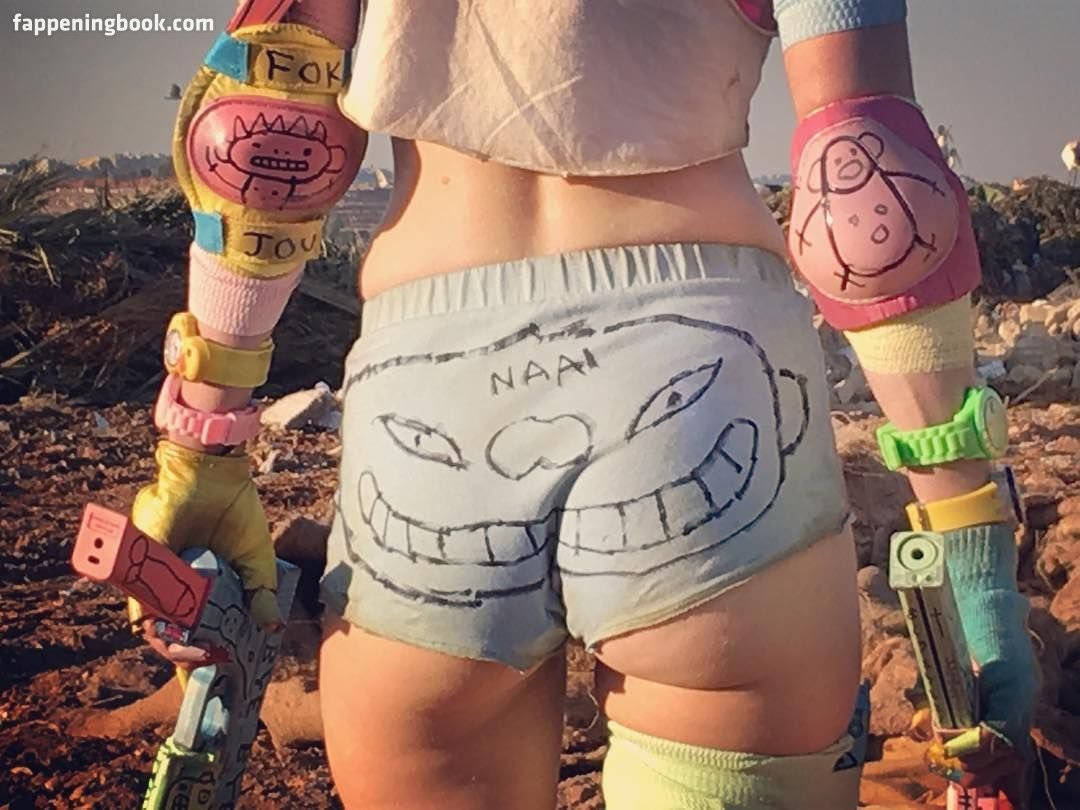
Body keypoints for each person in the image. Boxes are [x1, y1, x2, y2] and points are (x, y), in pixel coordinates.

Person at [130, 1, 1038, 807]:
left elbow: (268, 131)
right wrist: (968, 540)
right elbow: (869, 180)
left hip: (429, 392)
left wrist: (202, 445)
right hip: (706, 362)